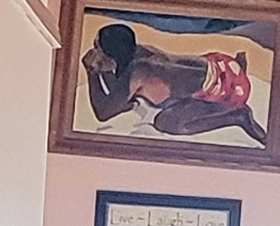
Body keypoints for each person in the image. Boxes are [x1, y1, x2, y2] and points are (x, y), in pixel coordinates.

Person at [81, 20, 268, 143]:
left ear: (114, 55)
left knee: (166, 122)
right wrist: (102, 71)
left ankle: (237, 117)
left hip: (223, 90)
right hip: (223, 65)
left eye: (98, 48)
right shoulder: (140, 52)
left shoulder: (137, 73)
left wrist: (91, 72)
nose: (94, 52)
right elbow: (122, 98)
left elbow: (104, 112)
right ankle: (238, 72)